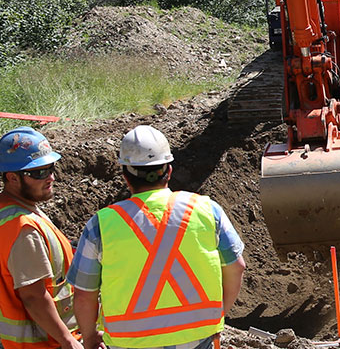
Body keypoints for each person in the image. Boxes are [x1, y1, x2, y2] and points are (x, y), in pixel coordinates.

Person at [67, 125, 247, 349]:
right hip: (196, 340)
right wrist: (217, 316)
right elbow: (237, 267)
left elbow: (84, 294)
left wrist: (90, 336)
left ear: (125, 176)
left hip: (128, 343)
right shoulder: (207, 210)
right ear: (168, 171)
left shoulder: (101, 224)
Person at [0, 127, 82, 349]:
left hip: (9, 336)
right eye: (39, 173)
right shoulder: (23, 229)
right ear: (12, 177)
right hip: (35, 342)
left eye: (51, 168)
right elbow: (33, 296)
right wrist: (68, 340)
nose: (50, 178)